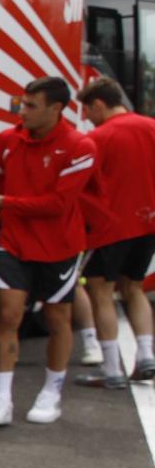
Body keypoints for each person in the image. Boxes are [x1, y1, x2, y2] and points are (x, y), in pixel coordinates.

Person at [0, 76, 95, 425]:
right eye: (22, 104)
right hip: (14, 242)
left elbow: (57, 203)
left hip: (60, 247)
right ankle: (1, 398)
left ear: (56, 109)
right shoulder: (7, 140)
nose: (22, 111)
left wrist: (3, 201)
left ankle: (52, 392)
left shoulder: (80, 146)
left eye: (30, 106)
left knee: (57, 319)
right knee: (7, 316)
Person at [71, 78, 155, 389]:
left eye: (88, 110)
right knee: (134, 288)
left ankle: (111, 370)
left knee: (100, 292)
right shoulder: (151, 127)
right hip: (148, 223)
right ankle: (146, 355)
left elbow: (81, 185)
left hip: (110, 226)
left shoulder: (97, 138)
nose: (87, 117)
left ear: (99, 105)